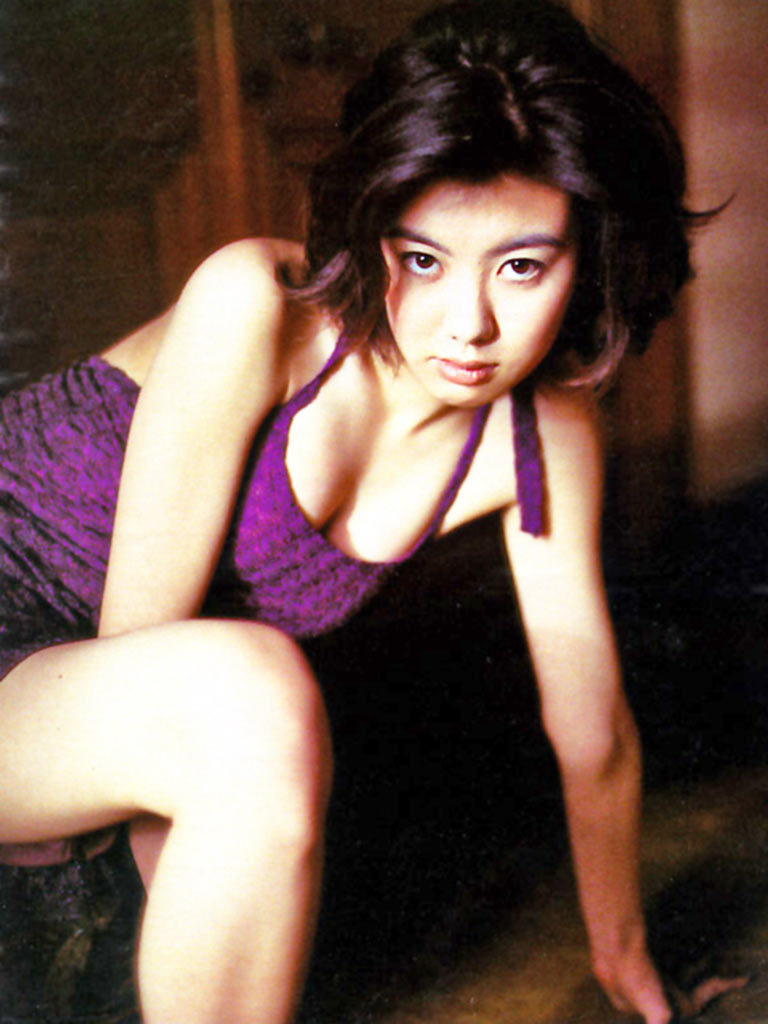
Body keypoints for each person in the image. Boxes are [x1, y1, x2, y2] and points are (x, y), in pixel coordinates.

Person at [0, 1, 743, 1021]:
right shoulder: (258, 306)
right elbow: (150, 666)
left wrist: (625, 960)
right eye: (423, 259)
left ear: (591, 256)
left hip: (89, 714)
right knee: (252, 696)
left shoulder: (544, 440)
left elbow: (592, 729)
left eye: (522, 266)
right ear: (369, 225)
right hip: (64, 670)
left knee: (256, 701)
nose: (469, 324)